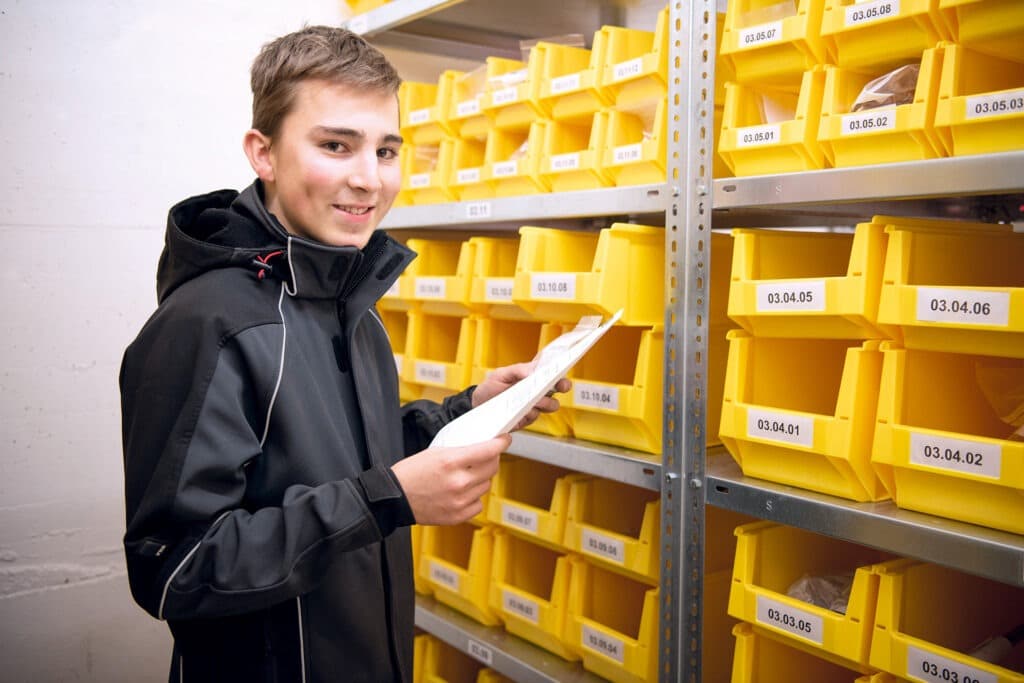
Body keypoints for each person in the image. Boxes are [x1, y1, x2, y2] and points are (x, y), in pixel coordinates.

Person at [119, 25, 569, 683]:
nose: (368, 179)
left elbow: (346, 459)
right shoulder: (206, 325)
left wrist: (462, 411)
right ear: (263, 153)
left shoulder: (344, 296)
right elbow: (174, 568)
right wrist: (386, 499)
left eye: (386, 151)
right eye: (336, 145)